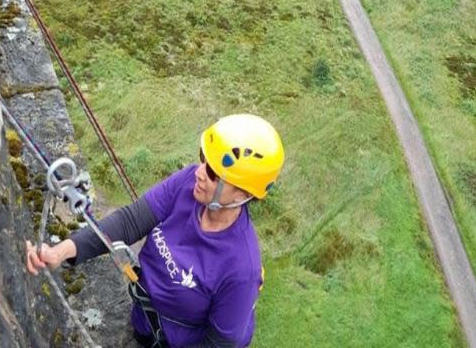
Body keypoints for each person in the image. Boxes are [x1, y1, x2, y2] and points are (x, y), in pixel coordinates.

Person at [26, 114, 285, 348]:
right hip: (146, 320)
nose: (199, 173)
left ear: (241, 193)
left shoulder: (240, 268)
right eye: (203, 159)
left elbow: (219, 345)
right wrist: (62, 252)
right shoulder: (187, 184)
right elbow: (130, 221)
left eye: (214, 173)